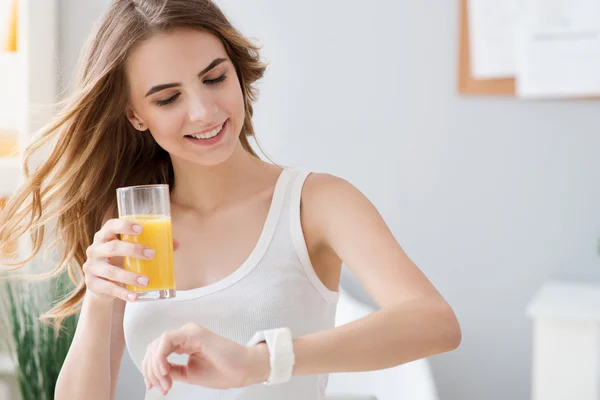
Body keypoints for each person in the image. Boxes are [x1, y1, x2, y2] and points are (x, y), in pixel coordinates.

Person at [0, 0, 461, 399]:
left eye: (214, 78)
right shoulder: (133, 224)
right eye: (167, 99)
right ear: (135, 116)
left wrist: (261, 360)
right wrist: (99, 300)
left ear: (237, 71)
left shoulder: (314, 203)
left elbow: (434, 322)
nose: (203, 111)